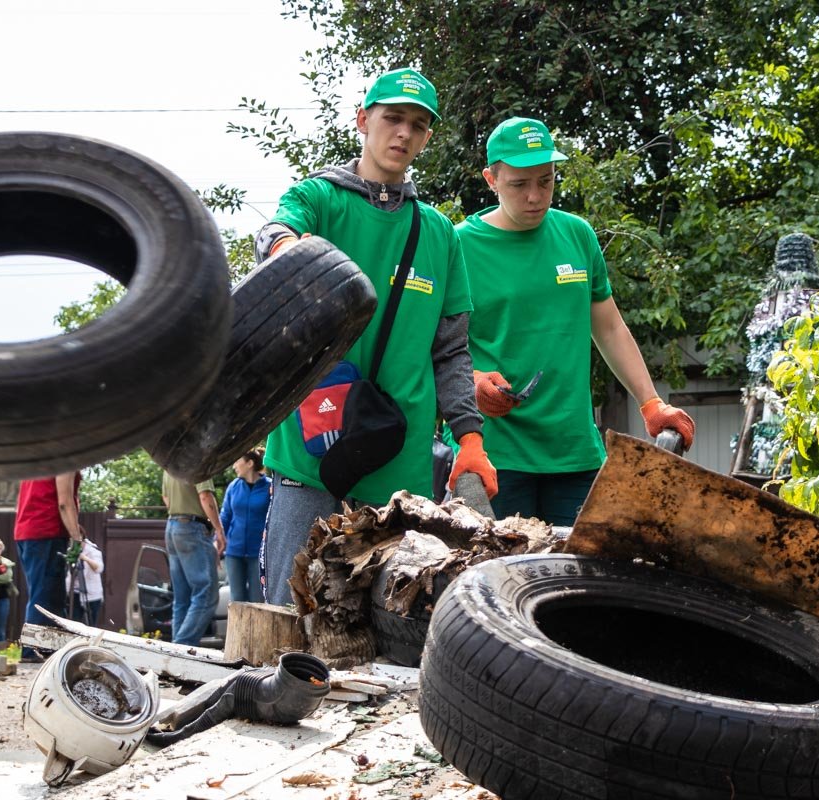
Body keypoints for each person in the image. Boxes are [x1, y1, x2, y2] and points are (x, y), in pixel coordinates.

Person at [253, 67, 496, 605]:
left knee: (387, 627)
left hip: (400, 465)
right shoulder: (321, 199)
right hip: (312, 448)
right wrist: (285, 250)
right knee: (289, 615)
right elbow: (274, 230)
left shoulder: (437, 233)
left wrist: (470, 439)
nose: (403, 134)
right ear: (363, 120)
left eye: (418, 124)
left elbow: (451, 350)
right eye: (392, 118)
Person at [456, 118, 696, 524]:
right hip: (495, 455)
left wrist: (650, 401)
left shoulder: (577, 235)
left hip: (574, 451)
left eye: (546, 181)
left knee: (578, 580)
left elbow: (609, 327)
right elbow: (437, 343)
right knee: (502, 578)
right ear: (491, 179)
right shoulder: (458, 245)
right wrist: (471, 380)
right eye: (519, 184)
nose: (535, 196)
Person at [13, 471, 83, 661]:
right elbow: (64, 502)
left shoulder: (39, 459)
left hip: (27, 530)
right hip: (46, 530)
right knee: (46, 595)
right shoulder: (65, 460)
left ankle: (40, 648)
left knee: (41, 592)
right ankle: (34, 650)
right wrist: (76, 537)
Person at [161, 471, 223, 646]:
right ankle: (183, 645)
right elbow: (205, 496)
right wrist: (218, 529)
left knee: (182, 597)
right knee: (206, 594)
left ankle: (175, 650)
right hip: (192, 528)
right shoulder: (200, 463)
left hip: (172, 526)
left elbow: (166, 498)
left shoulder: (169, 464)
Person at [219, 448, 270, 603]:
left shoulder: (269, 487)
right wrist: (218, 540)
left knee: (257, 600)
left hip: (258, 553)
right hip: (234, 552)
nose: (234, 466)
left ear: (249, 463)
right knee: (237, 601)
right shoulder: (233, 487)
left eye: (237, 461)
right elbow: (225, 516)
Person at [65, 537, 103, 626]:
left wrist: (85, 558)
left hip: (91, 594)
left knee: (91, 624)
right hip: (74, 592)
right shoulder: (70, 550)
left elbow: (98, 568)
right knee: (74, 623)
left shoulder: (93, 550)